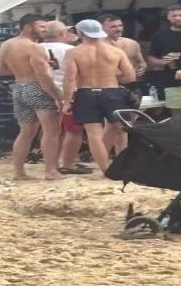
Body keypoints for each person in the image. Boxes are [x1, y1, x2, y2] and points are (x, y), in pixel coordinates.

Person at [62, 19, 135, 172]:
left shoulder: (73, 52)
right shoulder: (116, 51)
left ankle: (105, 169)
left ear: (80, 32)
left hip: (86, 93)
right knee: (121, 131)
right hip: (111, 91)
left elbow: (69, 79)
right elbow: (130, 76)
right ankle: (122, 167)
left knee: (94, 134)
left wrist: (67, 101)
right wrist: (112, 78)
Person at [0, 14, 63, 180]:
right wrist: (57, 96)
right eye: (41, 27)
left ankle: (19, 172)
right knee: (52, 130)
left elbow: (1, 71)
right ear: (28, 26)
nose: (45, 30)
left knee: (26, 132)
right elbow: (43, 76)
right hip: (37, 88)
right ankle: (51, 171)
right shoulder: (35, 48)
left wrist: (21, 70)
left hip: (19, 87)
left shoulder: (7, 45)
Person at [40, 21, 91, 175]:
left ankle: (53, 163)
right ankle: (67, 164)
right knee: (74, 130)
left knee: (51, 131)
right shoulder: (70, 50)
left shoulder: (36, 48)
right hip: (68, 91)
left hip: (44, 90)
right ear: (62, 33)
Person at [98, 14, 147, 152]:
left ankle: (121, 156)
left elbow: (141, 62)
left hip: (132, 87)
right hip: (111, 87)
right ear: (102, 28)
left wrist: (142, 68)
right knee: (112, 125)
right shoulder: (98, 46)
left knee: (127, 126)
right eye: (113, 26)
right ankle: (101, 157)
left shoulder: (132, 43)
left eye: (120, 25)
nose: (118, 29)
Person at [147, 4, 181, 116]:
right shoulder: (160, 36)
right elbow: (150, 58)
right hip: (173, 82)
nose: (177, 18)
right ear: (168, 17)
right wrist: (162, 62)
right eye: (174, 16)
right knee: (179, 117)